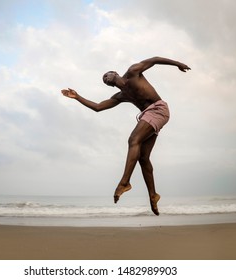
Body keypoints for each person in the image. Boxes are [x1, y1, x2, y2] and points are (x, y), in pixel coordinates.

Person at [61, 56, 190, 215]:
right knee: (143, 158)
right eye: (104, 80)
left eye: (107, 75)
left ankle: (124, 182)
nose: (106, 78)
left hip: (158, 110)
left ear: (115, 73)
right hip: (148, 116)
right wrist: (77, 96)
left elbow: (155, 59)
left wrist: (177, 64)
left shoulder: (133, 72)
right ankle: (153, 195)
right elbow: (98, 107)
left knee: (133, 140)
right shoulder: (121, 96)